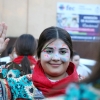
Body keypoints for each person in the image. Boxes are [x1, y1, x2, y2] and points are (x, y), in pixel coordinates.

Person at [32, 26, 79, 97]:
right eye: (49, 51)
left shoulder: (85, 89)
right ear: (39, 55)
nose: (56, 58)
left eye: (62, 52)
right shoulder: (20, 85)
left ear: (70, 56)